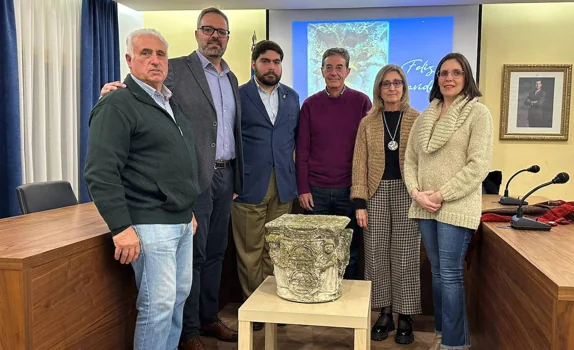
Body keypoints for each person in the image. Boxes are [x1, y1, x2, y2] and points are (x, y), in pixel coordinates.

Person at [100, 8, 243, 349]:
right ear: (196, 33)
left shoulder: (229, 79)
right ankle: (190, 332)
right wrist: (113, 90)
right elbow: (137, 93)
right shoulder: (174, 69)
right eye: (208, 30)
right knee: (170, 289)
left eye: (221, 32)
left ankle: (207, 319)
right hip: (177, 195)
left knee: (210, 258)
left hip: (219, 180)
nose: (215, 36)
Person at [84, 28, 200, 350]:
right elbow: (100, 171)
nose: (155, 60)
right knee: (158, 307)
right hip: (149, 224)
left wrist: (186, 210)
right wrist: (121, 227)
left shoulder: (168, 103)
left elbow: (173, 163)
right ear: (129, 60)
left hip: (179, 223)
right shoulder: (117, 104)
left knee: (176, 301)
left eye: (160, 54)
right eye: (146, 53)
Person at [404, 52, 493, 350]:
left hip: (455, 206)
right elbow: (411, 160)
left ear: (466, 77)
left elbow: (478, 165)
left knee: (451, 274)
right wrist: (417, 193)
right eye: (443, 73)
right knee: (437, 273)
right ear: (436, 78)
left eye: (456, 73)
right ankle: (444, 334)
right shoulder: (426, 114)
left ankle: (454, 345)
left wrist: (441, 195)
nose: (449, 78)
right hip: (424, 205)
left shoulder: (478, 114)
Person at [351, 64, 422, 345]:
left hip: (408, 193)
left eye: (397, 83)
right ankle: (384, 312)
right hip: (375, 192)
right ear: (378, 89)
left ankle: (405, 315)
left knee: (405, 255)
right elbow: (359, 163)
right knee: (376, 253)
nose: (392, 88)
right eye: (386, 84)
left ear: (404, 87)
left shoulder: (418, 119)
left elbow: (424, 161)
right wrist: (360, 202)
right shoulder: (367, 122)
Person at [232, 40, 300, 331]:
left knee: (278, 249)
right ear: (254, 64)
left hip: (284, 185)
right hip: (249, 184)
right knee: (250, 250)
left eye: (276, 62)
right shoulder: (238, 96)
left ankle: (276, 304)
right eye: (265, 61)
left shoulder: (292, 97)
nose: (271, 67)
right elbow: (228, 140)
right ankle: (256, 308)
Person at [295, 48, 372, 280]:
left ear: (348, 71)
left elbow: (366, 150)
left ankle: (346, 307)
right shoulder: (310, 105)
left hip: (348, 191)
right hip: (316, 192)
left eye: (339, 67)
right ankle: (321, 304)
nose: (334, 72)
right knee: (317, 251)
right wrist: (303, 188)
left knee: (350, 252)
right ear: (321, 71)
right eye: (329, 67)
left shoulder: (361, 102)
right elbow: (303, 151)